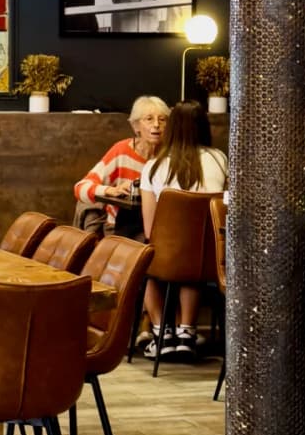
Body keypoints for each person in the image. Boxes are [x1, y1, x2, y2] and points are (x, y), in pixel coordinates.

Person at [140, 100, 228, 360]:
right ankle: (186, 333)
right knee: (192, 264)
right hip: (210, 257)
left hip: (167, 258)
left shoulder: (154, 167)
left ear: (172, 128)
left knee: (140, 257)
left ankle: (161, 334)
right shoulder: (220, 160)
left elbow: (149, 228)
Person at [73, 95, 169, 234]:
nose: (156, 125)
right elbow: (80, 187)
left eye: (162, 119)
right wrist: (111, 190)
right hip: (119, 228)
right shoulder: (122, 151)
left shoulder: (171, 156)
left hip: (158, 228)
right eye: (149, 119)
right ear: (136, 126)